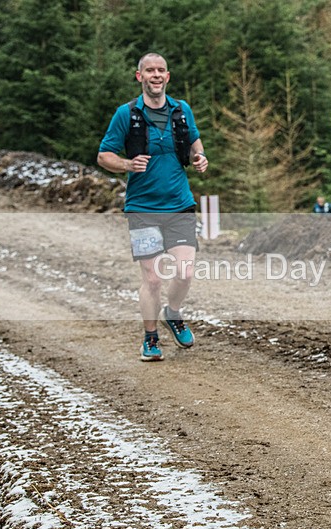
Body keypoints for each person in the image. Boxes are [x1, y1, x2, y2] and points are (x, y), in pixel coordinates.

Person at [97, 52, 208, 362]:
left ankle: (173, 313)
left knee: (185, 272)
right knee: (153, 278)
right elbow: (104, 155)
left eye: (161, 70)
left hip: (179, 204)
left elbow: (195, 141)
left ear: (167, 77)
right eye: (150, 70)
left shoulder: (181, 110)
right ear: (140, 76)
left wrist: (200, 157)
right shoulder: (126, 114)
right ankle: (150, 337)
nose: (156, 75)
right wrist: (127, 164)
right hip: (143, 208)